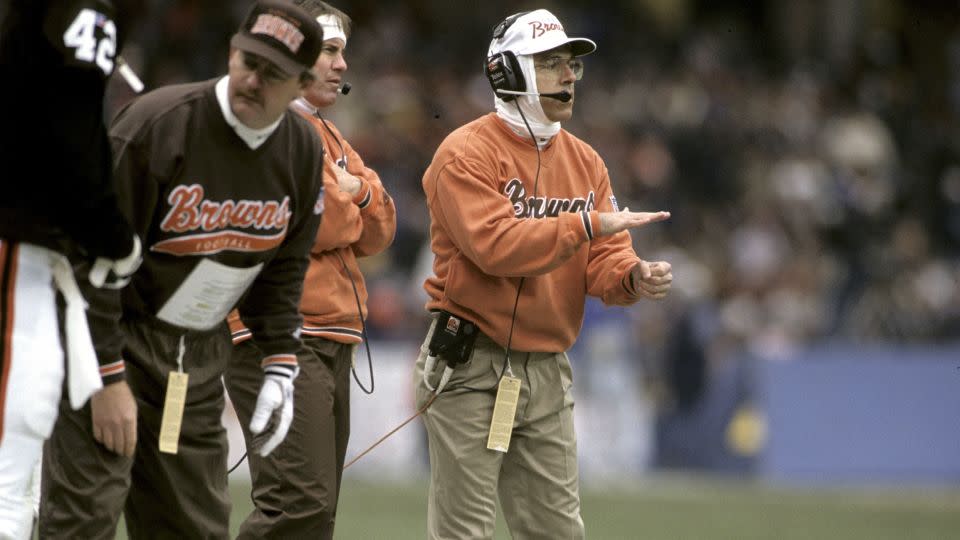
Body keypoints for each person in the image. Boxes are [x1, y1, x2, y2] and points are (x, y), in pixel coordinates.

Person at [37, 1, 327, 538]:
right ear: (231, 52)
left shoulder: (302, 152)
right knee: (83, 520)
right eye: (249, 62)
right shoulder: (157, 126)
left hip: (196, 357)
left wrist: (281, 360)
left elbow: (284, 270)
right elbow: (89, 266)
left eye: (275, 74)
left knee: (193, 528)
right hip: (111, 339)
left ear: (303, 84)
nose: (254, 81)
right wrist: (105, 380)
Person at [415, 9, 673, 539]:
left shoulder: (587, 162)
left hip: (548, 372)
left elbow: (605, 258)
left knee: (558, 534)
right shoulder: (462, 154)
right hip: (470, 364)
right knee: (465, 534)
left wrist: (631, 277)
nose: (569, 75)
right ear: (506, 73)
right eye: (550, 62)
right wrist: (583, 223)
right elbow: (496, 247)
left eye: (571, 64)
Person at [225, 1, 396, 538]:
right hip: (279, 338)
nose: (342, 64)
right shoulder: (265, 125)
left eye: (343, 51)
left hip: (326, 338)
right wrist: (353, 200)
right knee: (296, 505)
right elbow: (310, 223)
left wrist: (357, 194)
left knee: (313, 512)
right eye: (329, 50)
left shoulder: (331, 137)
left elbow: (382, 228)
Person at [0, 1, 144, 538]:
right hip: (17, 249)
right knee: (10, 475)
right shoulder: (77, 10)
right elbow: (72, 135)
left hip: (25, 248)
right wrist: (113, 237)